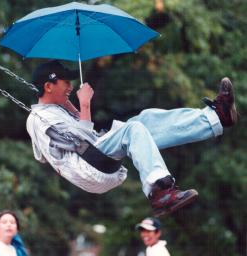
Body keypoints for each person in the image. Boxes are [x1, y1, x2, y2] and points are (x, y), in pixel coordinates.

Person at [26, 60, 237, 216]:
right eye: (66, 82)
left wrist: (70, 107)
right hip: (88, 165)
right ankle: (160, 191)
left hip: (94, 157)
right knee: (133, 129)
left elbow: (80, 134)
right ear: (48, 86)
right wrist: (85, 105)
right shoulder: (39, 118)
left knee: (145, 120)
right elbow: (82, 143)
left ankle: (215, 118)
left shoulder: (55, 111)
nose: (71, 86)